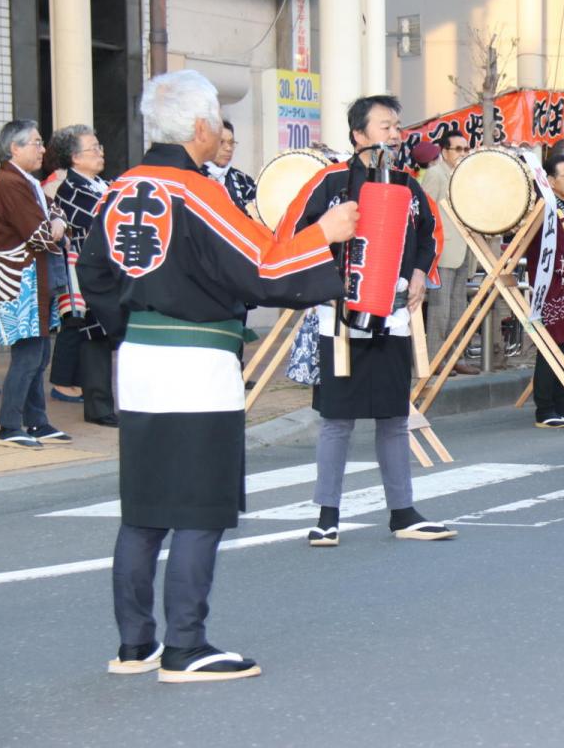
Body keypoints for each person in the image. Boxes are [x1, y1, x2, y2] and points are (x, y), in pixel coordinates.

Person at [77, 70, 357, 681]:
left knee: (145, 508)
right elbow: (261, 265)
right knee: (200, 506)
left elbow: (93, 275)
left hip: (141, 359)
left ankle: (135, 645)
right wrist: (323, 235)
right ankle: (185, 645)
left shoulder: (116, 191)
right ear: (202, 127)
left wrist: (133, 328)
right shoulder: (197, 192)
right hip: (197, 361)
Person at [275, 95, 456, 546]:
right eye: (384, 126)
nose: (394, 134)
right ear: (358, 135)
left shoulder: (407, 185)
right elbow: (292, 232)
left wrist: (419, 272)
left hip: (393, 312)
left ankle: (403, 512)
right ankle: (326, 515)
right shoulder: (330, 181)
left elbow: (430, 233)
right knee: (337, 419)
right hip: (340, 312)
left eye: (397, 126)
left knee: (393, 416)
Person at [0, 120, 71, 449]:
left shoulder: (24, 181)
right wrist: (56, 224)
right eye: (35, 143)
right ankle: (10, 426)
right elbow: (41, 235)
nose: (42, 149)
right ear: (14, 149)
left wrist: (57, 222)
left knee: (38, 354)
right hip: (19, 281)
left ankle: (37, 422)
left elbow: (57, 213)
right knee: (28, 356)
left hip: (34, 279)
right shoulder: (9, 183)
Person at [48, 124, 118, 425]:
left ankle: (105, 405)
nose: (100, 153)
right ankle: (99, 408)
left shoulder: (101, 183)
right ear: (75, 158)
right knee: (94, 336)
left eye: (100, 147)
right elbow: (101, 220)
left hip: (110, 271)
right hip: (90, 272)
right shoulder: (70, 190)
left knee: (103, 337)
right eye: (94, 148)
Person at [525, 153, 564, 427]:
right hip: (549, 283)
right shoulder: (543, 206)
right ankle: (545, 407)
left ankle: (562, 401)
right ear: (549, 180)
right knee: (553, 343)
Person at [420, 130, 478, 375]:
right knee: (439, 309)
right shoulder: (435, 174)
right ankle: (435, 358)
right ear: (444, 151)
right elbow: (423, 212)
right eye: (458, 149)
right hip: (443, 251)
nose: (463, 153)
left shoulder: (466, 174)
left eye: (466, 149)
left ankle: (457, 356)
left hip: (464, 249)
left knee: (458, 309)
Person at [201, 121, 257, 212]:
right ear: (208, 143)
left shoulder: (243, 180)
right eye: (221, 142)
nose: (228, 148)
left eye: (231, 143)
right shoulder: (196, 175)